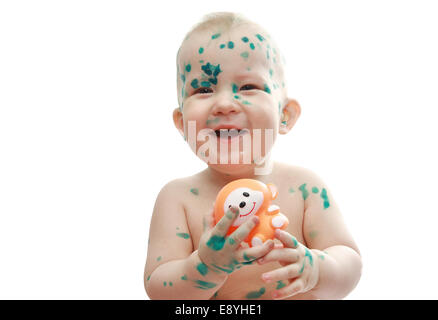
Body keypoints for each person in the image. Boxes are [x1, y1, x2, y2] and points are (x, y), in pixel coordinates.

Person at [144, 12, 362, 300]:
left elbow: (350, 262)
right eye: (203, 88)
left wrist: (317, 269)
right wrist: (205, 267)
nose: (224, 104)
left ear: (285, 115)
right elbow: (159, 289)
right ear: (183, 123)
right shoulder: (178, 198)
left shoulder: (305, 187)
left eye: (248, 87)